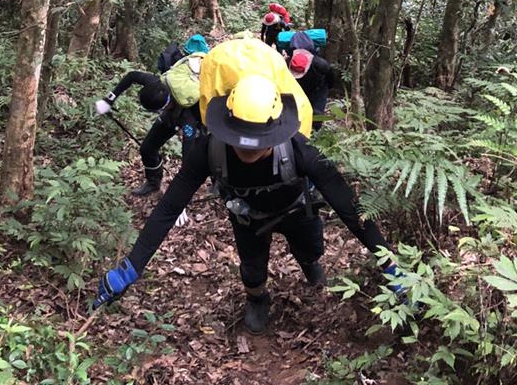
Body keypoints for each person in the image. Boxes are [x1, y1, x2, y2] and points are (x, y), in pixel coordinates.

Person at [92, 37, 397, 335]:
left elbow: (346, 204)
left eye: (259, 142)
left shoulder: (300, 150)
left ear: (276, 127)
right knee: (252, 268)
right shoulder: (208, 150)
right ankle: (257, 298)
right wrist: (131, 266)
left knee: (311, 248)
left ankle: (309, 264)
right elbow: (169, 207)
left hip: (296, 208)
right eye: (239, 139)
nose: (248, 150)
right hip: (247, 216)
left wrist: (388, 261)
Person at [95, 69, 202, 198]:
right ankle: (153, 183)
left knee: (201, 154)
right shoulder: (155, 83)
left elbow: (187, 160)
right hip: (171, 114)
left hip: (197, 116)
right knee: (147, 148)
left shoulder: (188, 119)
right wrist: (108, 100)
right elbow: (132, 76)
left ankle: (217, 182)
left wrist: (180, 198)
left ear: (161, 108)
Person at [288, 47, 340, 123]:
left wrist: (327, 88)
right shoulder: (287, 62)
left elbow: (331, 79)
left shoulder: (321, 65)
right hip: (301, 87)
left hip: (319, 87)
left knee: (317, 112)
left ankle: (315, 131)